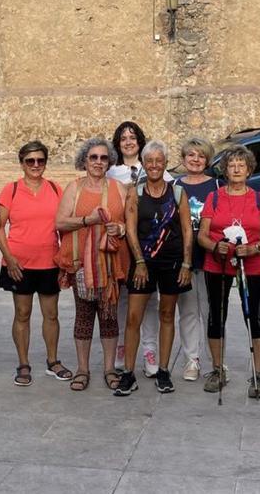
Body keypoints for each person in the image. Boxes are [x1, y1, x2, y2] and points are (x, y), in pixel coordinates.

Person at [115, 140, 194, 396]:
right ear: (144, 164)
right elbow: (130, 229)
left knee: (167, 315)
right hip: (144, 264)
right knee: (133, 318)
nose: (154, 165)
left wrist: (186, 263)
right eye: (150, 161)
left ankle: (163, 370)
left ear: (165, 163)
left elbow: (186, 230)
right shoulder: (135, 193)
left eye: (159, 161)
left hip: (171, 262)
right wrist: (138, 262)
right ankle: (128, 373)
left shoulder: (178, 192)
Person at [198, 144, 260, 398]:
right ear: (225, 170)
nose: (237, 169)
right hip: (217, 263)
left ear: (249, 169)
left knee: (254, 315)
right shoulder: (215, 197)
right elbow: (202, 236)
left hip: (251, 263)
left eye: (242, 165)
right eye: (232, 165)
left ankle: (258, 373)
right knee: (216, 315)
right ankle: (218, 369)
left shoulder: (259, 198)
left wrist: (253, 249)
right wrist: (215, 245)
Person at [55, 138, 130, 392]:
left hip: (110, 264)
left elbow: (128, 224)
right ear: (84, 161)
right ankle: (83, 369)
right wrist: (88, 220)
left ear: (110, 162)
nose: (99, 162)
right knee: (84, 315)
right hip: (81, 264)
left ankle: (109, 368)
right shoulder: (74, 188)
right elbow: (61, 223)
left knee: (109, 316)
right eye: (93, 157)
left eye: (103, 158)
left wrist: (119, 228)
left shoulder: (119, 188)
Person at [0, 140, 72, 386]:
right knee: (22, 314)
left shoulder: (55, 188)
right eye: (30, 161)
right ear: (22, 163)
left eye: (40, 160)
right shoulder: (12, 190)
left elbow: (63, 226)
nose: (36, 165)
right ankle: (24, 363)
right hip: (19, 264)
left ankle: (52, 361)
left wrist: (65, 260)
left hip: (49, 262)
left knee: (51, 314)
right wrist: (9, 259)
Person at [106, 120, 167, 378]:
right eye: (123, 138)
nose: (128, 142)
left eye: (132, 137)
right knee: (122, 301)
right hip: (122, 246)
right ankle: (122, 348)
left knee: (150, 302)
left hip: (149, 246)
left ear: (140, 141)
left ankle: (150, 351)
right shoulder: (111, 172)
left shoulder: (152, 166)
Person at [175, 137, 220, 382]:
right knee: (189, 311)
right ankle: (192, 359)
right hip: (184, 258)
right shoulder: (174, 185)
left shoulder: (216, 186)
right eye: (191, 155)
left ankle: (216, 361)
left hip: (211, 256)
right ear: (183, 159)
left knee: (212, 310)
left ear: (207, 160)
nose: (195, 160)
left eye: (200, 156)